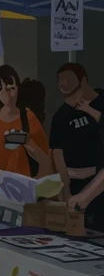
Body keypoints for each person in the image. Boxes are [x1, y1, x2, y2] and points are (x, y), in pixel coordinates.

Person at [0, 65, 50, 193]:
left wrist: (36, 183)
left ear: (18, 89)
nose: (6, 93)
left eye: (11, 88)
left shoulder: (28, 118)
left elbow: (45, 158)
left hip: (21, 189)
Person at [50, 63, 104, 232]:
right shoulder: (61, 116)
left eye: (68, 78)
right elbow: (57, 153)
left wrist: (90, 111)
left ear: (83, 80)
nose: (63, 83)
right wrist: (65, 189)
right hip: (76, 187)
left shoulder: (101, 100)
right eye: (60, 80)